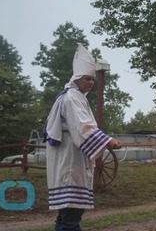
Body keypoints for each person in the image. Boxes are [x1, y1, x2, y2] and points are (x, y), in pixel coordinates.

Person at [44, 44, 121, 230]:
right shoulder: (71, 98)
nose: (91, 83)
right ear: (77, 78)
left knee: (66, 216)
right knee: (71, 215)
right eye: (87, 78)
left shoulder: (76, 96)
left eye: (93, 80)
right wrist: (108, 140)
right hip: (69, 161)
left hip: (71, 158)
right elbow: (83, 127)